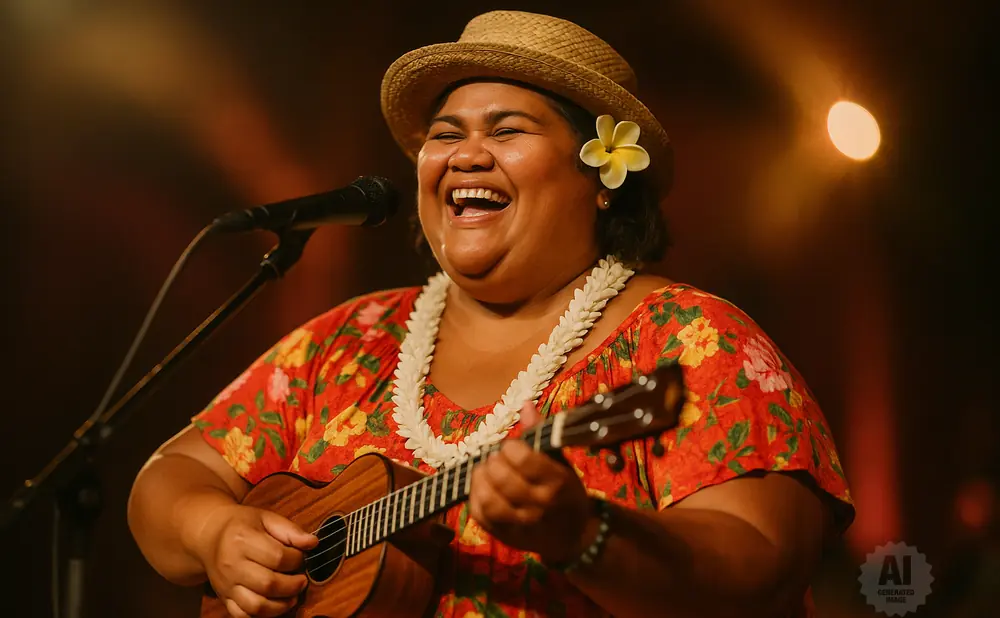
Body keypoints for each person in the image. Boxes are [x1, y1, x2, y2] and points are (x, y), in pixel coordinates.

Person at [128, 10, 854, 618]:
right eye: (445, 134)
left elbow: (759, 566)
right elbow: (168, 480)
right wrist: (215, 529)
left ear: (601, 177)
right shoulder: (351, 341)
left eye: (506, 131)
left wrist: (586, 533)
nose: (466, 154)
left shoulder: (692, 343)